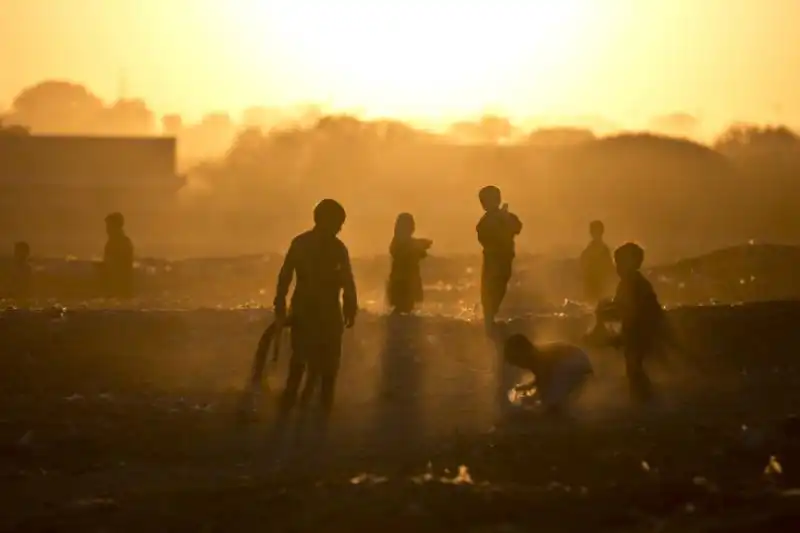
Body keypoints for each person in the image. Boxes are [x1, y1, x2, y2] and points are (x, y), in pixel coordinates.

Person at [273, 199, 358, 432]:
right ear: (324, 220)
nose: (340, 227)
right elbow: (286, 276)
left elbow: (347, 281)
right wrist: (279, 304)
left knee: (320, 368)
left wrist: (350, 305)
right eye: (338, 222)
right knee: (305, 367)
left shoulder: (310, 244)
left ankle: (308, 422)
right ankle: (299, 420)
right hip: (311, 314)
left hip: (320, 313)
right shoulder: (311, 245)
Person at [596, 242, 668, 405]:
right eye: (616, 264)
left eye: (619, 263)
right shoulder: (633, 282)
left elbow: (632, 310)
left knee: (634, 367)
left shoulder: (634, 283)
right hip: (639, 331)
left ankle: (645, 400)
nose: (617, 268)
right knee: (634, 366)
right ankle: (644, 399)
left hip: (640, 332)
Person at [503, 333, 593, 415]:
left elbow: (546, 382)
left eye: (516, 361)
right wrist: (531, 386)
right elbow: (543, 375)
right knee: (550, 399)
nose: (518, 366)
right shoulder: (537, 355)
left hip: (577, 367)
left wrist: (530, 404)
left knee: (552, 405)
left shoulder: (539, 359)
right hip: (578, 362)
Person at [476, 186, 522, 334]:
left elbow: (517, 227)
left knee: (499, 288)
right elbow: (483, 235)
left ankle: (490, 319)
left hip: (503, 260)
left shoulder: (506, 217)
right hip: (492, 261)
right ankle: (489, 320)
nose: (484, 204)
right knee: (489, 290)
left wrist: (505, 218)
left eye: (486, 200)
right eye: (482, 201)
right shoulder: (485, 222)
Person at [387, 213, 432, 314]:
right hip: (402, 285)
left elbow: (419, 252)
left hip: (406, 283)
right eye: (410, 225)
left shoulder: (403, 242)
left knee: (405, 312)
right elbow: (406, 250)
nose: (412, 227)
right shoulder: (398, 243)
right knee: (402, 311)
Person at [580, 220, 614, 304]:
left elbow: (609, 269)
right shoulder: (589, 250)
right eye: (592, 230)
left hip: (600, 285)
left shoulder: (603, 250)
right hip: (590, 285)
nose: (593, 233)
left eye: (595, 230)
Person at [102, 212, 134, 298]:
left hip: (119, 288)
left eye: (109, 225)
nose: (107, 229)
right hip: (118, 288)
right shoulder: (116, 242)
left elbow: (121, 267)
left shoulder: (119, 243)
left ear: (115, 226)